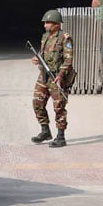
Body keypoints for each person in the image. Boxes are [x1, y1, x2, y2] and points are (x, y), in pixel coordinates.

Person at [30, 9, 75, 148]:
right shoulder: (45, 37)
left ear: (56, 24)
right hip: (44, 75)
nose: (45, 25)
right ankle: (45, 131)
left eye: (48, 23)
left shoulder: (65, 38)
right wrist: (38, 58)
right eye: (45, 23)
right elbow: (44, 53)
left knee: (59, 107)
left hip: (57, 77)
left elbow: (68, 60)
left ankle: (61, 137)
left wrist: (61, 76)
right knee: (37, 102)